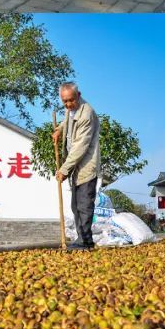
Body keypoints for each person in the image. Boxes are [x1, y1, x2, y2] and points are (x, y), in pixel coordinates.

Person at [51, 83, 101, 251]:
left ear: (78, 95)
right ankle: (83, 239)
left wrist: (64, 169)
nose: (68, 104)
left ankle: (85, 241)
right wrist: (59, 129)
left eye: (71, 100)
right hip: (76, 166)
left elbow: (80, 146)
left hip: (86, 165)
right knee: (75, 206)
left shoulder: (87, 114)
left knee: (84, 205)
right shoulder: (70, 109)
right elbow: (68, 121)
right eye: (64, 101)